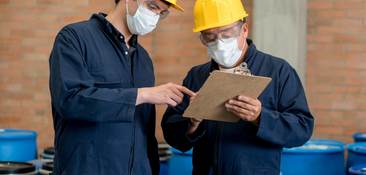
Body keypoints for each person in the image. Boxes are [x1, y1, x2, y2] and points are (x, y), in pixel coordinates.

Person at [162, 0, 314, 174]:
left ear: (244, 29)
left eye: (226, 34)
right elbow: (172, 134)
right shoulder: (197, 76)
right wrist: (192, 123)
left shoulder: (278, 71)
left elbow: (302, 129)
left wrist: (260, 117)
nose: (219, 43)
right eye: (210, 37)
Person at [48, 0, 195, 174]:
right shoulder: (75, 38)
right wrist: (141, 95)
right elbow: (70, 100)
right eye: (153, 7)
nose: (154, 17)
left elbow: (145, 131)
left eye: (161, 13)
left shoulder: (144, 59)